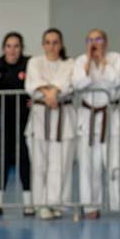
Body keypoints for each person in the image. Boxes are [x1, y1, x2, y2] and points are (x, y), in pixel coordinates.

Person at [73, 29, 120, 219]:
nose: (94, 43)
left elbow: (117, 81)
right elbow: (78, 84)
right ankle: (91, 206)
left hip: (110, 115)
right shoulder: (80, 61)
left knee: (117, 163)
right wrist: (89, 63)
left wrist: (103, 62)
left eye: (98, 39)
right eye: (90, 39)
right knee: (89, 165)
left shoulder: (115, 58)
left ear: (105, 42)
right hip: (88, 118)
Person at [25, 29, 75, 220]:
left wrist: (50, 92)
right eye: (47, 42)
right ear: (43, 44)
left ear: (61, 44)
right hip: (39, 117)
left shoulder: (69, 63)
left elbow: (67, 84)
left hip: (63, 118)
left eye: (55, 42)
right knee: (40, 164)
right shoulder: (35, 62)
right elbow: (32, 85)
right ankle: (42, 204)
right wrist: (50, 93)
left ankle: (57, 202)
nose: (51, 46)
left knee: (61, 163)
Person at [0, 32, 33, 216]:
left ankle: (28, 203)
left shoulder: (29, 64)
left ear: (22, 48)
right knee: (1, 159)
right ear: (3, 48)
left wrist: (36, 98)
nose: (12, 50)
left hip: (24, 121)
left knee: (24, 158)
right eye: (9, 46)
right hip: (1, 122)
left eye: (16, 46)